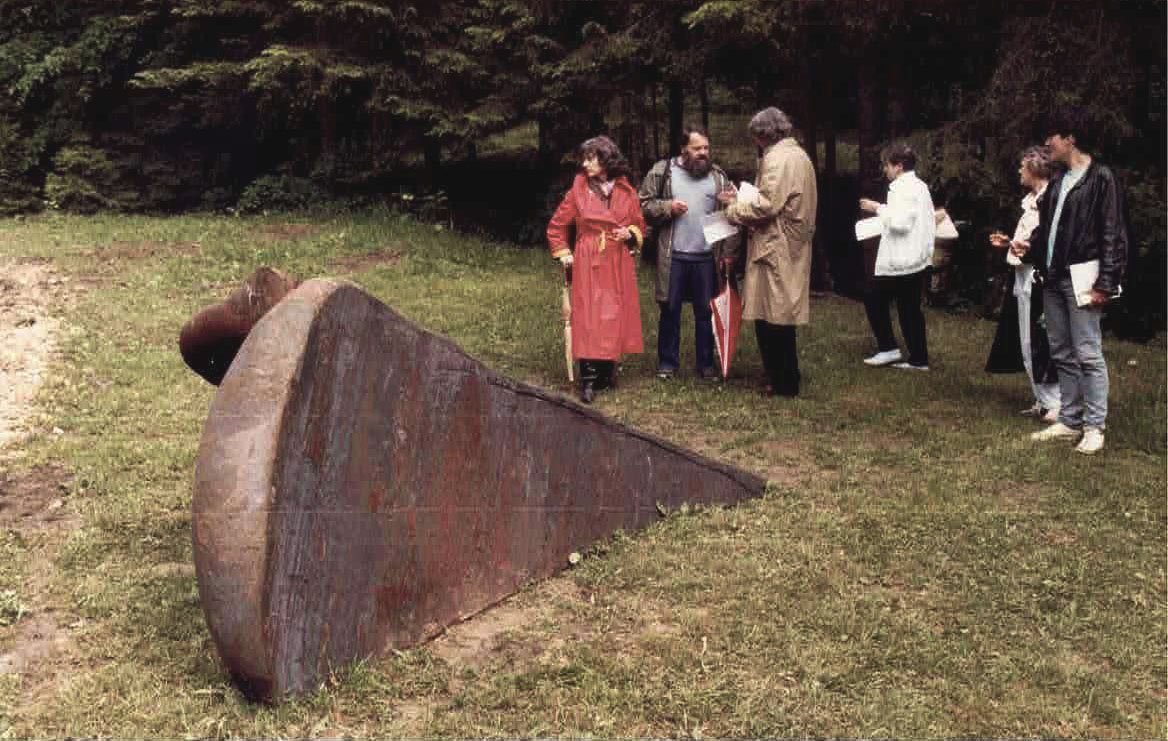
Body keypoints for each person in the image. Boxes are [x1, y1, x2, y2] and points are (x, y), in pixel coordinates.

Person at [1022, 110, 1127, 455]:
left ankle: (1095, 426)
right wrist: (1029, 249)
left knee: (1088, 353)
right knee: (1062, 351)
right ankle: (1069, 420)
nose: (1046, 144)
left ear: (1070, 139)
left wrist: (1106, 283)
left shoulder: (1102, 178)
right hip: (1053, 278)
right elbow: (1048, 230)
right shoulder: (1058, 180)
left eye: (1052, 136)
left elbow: (1112, 234)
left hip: (1083, 280)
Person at [719, 107, 818, 397]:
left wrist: (733, 209)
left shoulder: (776, 158)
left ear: (762, 135)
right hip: (792, 243)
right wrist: (743, 197)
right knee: (779, 312)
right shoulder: (799, 155)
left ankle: (783, 381)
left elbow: (766, 205)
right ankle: (782, 376)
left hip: (775, 246)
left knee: (773, 315)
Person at [547, 135, 646, 404]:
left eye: (591, 158)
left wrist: (630, 233)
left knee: (613, 313)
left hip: (617, 258)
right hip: (589, 257)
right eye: (584, 159)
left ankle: (606, 371)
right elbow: (556, 227)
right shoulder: (577, 192)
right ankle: (588, 378)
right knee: (589, 315)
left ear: (606, 160)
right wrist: (564, 253)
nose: (585, 164)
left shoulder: (626, 191)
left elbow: (639, 224)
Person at [638, 125, 741, 380]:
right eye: (697, 148)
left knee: (705, 312)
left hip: (707, 257)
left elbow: (732, 217)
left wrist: (728, 254)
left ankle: (706, 365)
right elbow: (642, 205)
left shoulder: (718, 177)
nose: (703, 153)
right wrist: (668, 207)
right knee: (670, 309)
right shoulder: (663, 172)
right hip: (673, 255)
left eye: (706, 148)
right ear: (683, 149)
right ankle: (667, 364)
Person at [985, 146, 1061, 422]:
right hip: (1022, 272)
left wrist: (1022, 247)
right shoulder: (1030, 200)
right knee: (1026, 338)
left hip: (1037, 276)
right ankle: (1042, 398)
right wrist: (1010, 243)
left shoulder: (1050, 200)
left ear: (1034, 169)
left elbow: (1047, 240)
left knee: (1040, 338)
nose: (1019, 170)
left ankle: (1056, 402)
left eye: (1022, 166)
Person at [858, 143, 935, 371]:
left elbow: (900, 223)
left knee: (873, 296)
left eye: (887, 165)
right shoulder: (920, 186)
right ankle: (919, 358)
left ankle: (889, 348)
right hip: (916, 258)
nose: (885, 170)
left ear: (899, 166)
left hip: (902, 260)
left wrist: (877, 208)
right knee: (909, 308)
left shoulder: (902, 188)